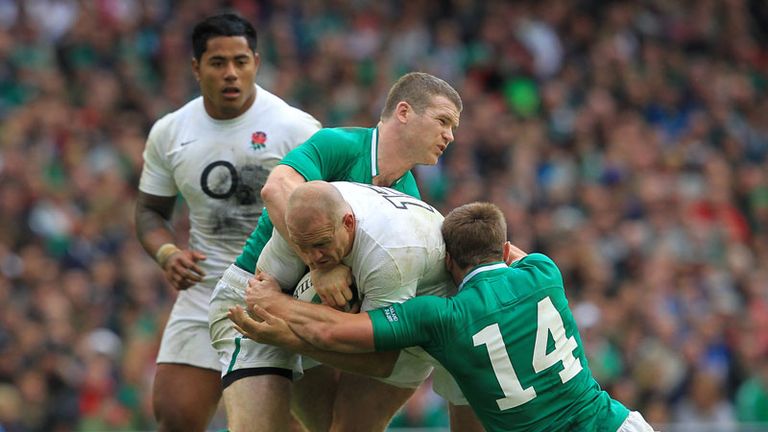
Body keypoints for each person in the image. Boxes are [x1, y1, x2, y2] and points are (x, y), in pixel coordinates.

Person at [230, 201, 658, 432]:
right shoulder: (543, 271)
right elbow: (515, 258)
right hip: (618, 424)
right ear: (505, 250)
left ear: (449, 262)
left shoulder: (442, 316)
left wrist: (278, 304)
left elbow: (334, 328)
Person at [208, 73, 469, 431]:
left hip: (311, 311)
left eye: (453, 127)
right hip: (253, 294)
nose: (450, 136)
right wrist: (320, 266)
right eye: (443, 121)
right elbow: (277, 189)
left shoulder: (409, 196)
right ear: (404, 112)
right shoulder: (341, 144)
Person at [134, 13, 321, 432]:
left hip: (283, 289)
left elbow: (332, 211)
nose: (231, 73)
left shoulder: (295, 128)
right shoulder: (170, 132)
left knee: (282, 423)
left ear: (256, 61)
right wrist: (167, 254)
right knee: (176, 415)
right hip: (208, 286)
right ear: (196, 67)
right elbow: (150, 212)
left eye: (241, 61)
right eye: (218, 63)